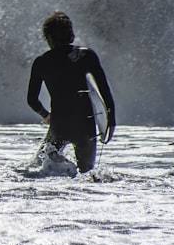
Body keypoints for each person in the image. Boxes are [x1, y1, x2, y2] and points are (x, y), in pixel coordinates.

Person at [27, 12, 115, 173]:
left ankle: (61, 170)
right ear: (71, 34)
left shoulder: (42, 62)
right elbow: (104, 91)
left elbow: (32, 100)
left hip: (60, 123)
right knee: (87, 173)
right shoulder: (86, 55)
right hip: (85, 123)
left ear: (48, 37)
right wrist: (111, 119)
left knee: (39, 165)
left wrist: (46, 115)